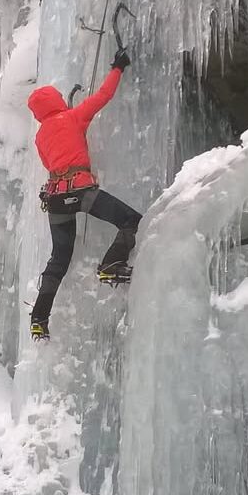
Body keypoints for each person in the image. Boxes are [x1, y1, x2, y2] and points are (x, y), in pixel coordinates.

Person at [27, 48, 142, 340]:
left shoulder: (40, 136)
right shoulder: (75, 116)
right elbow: (103, 96)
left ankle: (39, 318)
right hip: (81, 191)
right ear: (58, 101)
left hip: (55, 199)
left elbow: (50, 163)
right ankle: (111, 263)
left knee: (59, 258)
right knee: (130, 220)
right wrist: (117, 67)